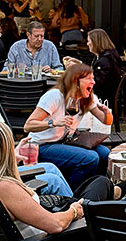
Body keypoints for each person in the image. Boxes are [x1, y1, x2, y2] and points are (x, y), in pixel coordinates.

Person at [0, 121, 84, 239]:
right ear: (5, 151)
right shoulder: (3, 187)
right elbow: (55, 225)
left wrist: (10, 162)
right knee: (98, 184)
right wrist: (73, 211)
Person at [23, 62, 115, 192]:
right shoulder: (55, 96)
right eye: (89, 78)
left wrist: (107, 113)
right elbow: (28, 126)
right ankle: (71, 193)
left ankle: (95, 189)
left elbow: (106, 121)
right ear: (76, 81)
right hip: (41, 145)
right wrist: (53, 123)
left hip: (65, 141)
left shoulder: (86, 98)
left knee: (105, 153)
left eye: (93, 78)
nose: (93, 82)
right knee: (89, 158)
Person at [88, 28, 121, 107]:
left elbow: (97, 84)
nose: (87, 44)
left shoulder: (105, 61)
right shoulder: (101, 57)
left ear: (96, 42)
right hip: (102, 95)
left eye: (89, 41)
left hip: (103, 99)